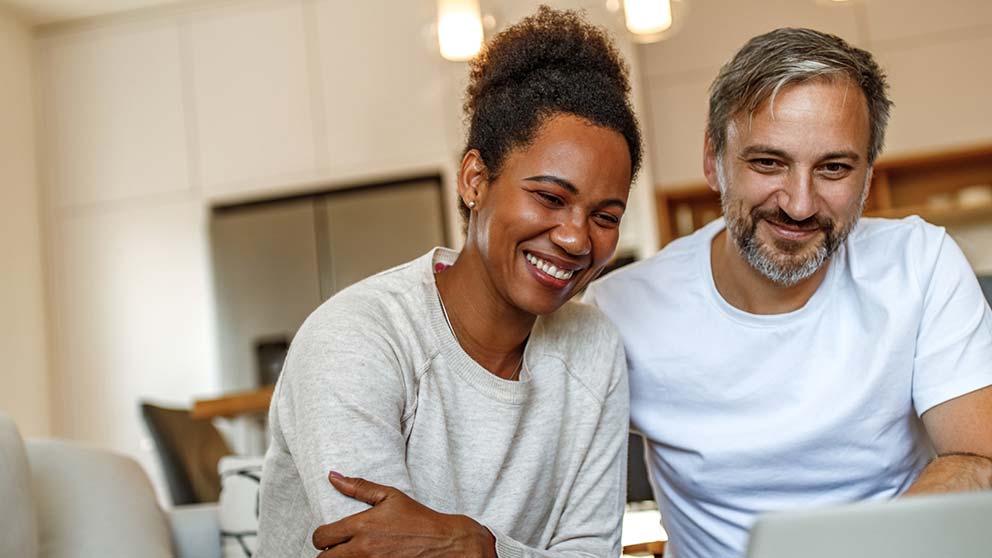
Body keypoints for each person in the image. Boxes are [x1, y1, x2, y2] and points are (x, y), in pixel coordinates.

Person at [585, 27, 992, 558]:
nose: (799, 205)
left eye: (834, 168)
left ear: (867, 176)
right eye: (768, 163)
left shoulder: (922, 263)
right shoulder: (618, 312)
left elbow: (978, 460)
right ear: (714, 159)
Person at [256, 7, 643, 557]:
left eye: (605, 216)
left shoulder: (593, 348)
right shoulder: (356, 339)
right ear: (475, 180)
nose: (578, 239)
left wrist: (478, 548)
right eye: (550, 198)